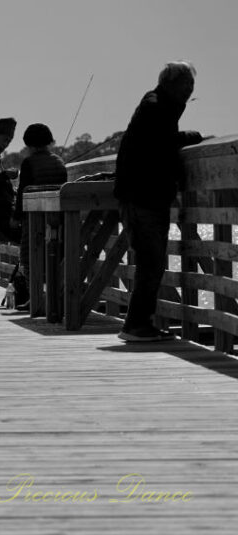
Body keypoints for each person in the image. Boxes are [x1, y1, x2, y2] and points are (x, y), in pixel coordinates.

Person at [114, 61, 204, 342]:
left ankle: (139, 323)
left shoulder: (158, 104)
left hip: (144, 195)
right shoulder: (156, 107)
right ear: (170, 83)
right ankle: (135, 326)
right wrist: (191, 136)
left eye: (192, 84)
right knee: (151, 263)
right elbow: (161, 143)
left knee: (151, 262)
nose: (190, 90)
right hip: (143, 197)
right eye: (186, 83)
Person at [12, 123, 68, 310]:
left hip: (34, 220)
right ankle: (56, 298)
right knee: (56, 258)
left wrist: (16, 216)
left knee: (29, 257)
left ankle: (35, 298)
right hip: (58, 221)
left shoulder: (29, 163)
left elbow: (23, 193)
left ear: (29, 144)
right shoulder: (59, 162)